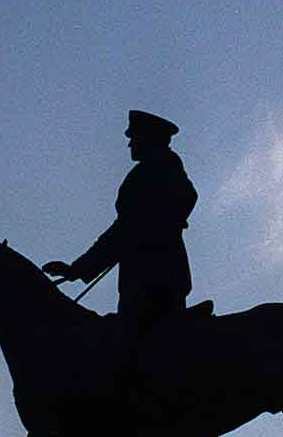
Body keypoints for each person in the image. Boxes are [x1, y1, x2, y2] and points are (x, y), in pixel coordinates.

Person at [43, 109, 199, 336]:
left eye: (134, 138)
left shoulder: (159, 168)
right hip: (144, 277)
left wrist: (78, 269)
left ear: (148, 138)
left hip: (154, 278)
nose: (130, 145)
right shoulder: (150, 171)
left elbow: (125, 229)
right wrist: (77, 269)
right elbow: (123, 230)